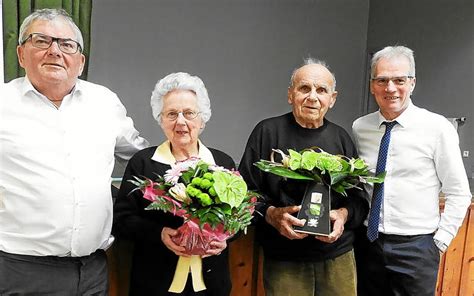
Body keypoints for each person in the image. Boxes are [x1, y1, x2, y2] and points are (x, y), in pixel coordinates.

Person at [0, 8, 149, 295]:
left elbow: (142, 157)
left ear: (80, 61)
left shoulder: (104, 102)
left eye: (67, 44)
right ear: (21, 54)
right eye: (41, 40)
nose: (55, 50)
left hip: (93, 271)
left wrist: (192, 167)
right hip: (19, 270)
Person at [238, 58, 369, 296]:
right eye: (304, 88)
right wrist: (271, 214)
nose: (312, 97)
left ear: (333, 98)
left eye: (321, 90)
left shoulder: (341, 138)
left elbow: (359, 198)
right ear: (290, 94)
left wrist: (343, 214)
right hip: (284, 258)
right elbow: (245, 192)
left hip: (337, 256)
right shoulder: (267, 132)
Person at [352, 45, 472, 296]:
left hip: (416, 248)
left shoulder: (437, 127)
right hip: (368, 243)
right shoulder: (360, 127)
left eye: (399, 80)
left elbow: (459, 192)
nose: (391, 88)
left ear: (412, 83)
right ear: (372, 85)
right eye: (382, 80)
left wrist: (439, 242)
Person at [113, 72, 234, 296]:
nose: (181, 121)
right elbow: (122, 220)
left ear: (202, 118)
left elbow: (237, 218)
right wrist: (159, 233)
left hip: (211, 284)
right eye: (171, 114)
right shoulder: (143, 163)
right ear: (161, 120)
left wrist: (226, 238)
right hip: (154, 283)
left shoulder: (222, 163)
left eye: (188, 113)